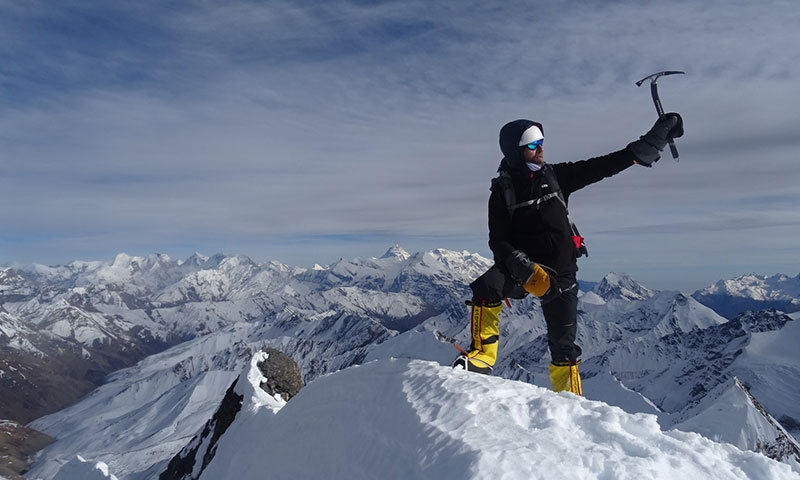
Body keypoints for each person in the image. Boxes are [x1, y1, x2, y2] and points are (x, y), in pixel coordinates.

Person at [453, 113, 684, 395]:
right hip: (525, 269)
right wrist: (522, 267)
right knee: (486, 288)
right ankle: (482, 357)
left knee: (564, 347)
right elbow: (497, 241)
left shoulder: (557, 176)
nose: (540, 148)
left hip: (562, 273)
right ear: (515, 150)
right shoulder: (503, 193)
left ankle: (570, 401)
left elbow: (605, 165)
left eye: (541, 141)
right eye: (532, 143)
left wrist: (651, 142)